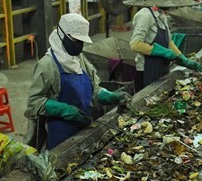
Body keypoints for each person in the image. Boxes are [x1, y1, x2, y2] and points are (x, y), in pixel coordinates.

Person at [24, 13, 128, 150]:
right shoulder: (47, 65)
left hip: (85, 126)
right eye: (75, 40)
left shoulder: (80, 59)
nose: (79, 45)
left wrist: (109, 96)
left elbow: (94, 89)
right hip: (60, 134)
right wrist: (62, 109)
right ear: (62, 35)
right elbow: (33, 103)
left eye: (81, 41)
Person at [130, 6, 202, 92]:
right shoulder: (145, 16)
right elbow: (135, 44)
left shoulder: (161, 15)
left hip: (163, 67)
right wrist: (164, 52)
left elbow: (168, 42)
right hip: (147, 69)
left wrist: (183, 59)